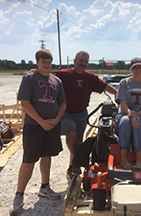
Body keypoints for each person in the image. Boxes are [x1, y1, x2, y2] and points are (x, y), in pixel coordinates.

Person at [11, 49, 66, 214]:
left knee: (47, 156)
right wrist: (41, 122)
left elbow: (62, 103)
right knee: (28, 160)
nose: (46, 64)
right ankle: (19, 194)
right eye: (43, 61)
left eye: (49, 61)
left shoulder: (57, 81)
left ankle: (45, 186)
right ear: (37, 62)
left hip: (51, 125)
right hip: (34, 126)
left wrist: (56, 120)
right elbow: (25, 102)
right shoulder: (29, 78)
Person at [53, 51, 117, 178]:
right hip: (66, 113)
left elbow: (105, 86)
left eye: (86, 61)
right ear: (75, 61)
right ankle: (82, 162)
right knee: (71, 132)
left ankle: (72, 168)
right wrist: (36, 73)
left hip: (81, 114)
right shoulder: (63, 75)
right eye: (81, 60)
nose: (83, 63)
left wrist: (119, 95)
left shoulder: (90, 78)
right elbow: (47, 77)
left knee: (77, 142)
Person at [116, 57, 141, 170]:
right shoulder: (124, 83)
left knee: (138, 123)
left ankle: (140, 160)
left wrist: (135, 116)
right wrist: (131, 114)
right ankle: (124, 159)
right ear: (131, 70)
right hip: (125, 114)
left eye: (140, 67)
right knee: (124, 121)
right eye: (135, 67)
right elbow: (123, 103)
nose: (138, 70)